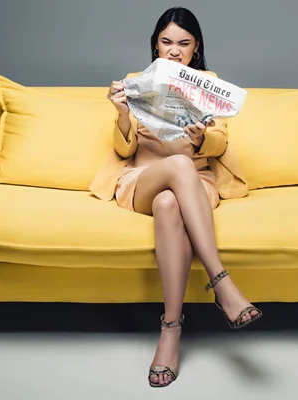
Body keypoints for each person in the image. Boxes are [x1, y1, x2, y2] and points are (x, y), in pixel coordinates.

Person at [89, 7, 262, 388]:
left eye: (183, 43)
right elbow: (122, 150)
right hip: (142, 178)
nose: (174, 50)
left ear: (196, 48)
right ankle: (221, 283)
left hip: (195, 183)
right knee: (178, 169)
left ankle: (170, 331)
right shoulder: (136, 82)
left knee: (171, 201)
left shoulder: (208, 83)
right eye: (166, 42)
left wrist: (201, 137)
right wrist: (120, 115)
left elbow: (219, 145)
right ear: (156, 44)